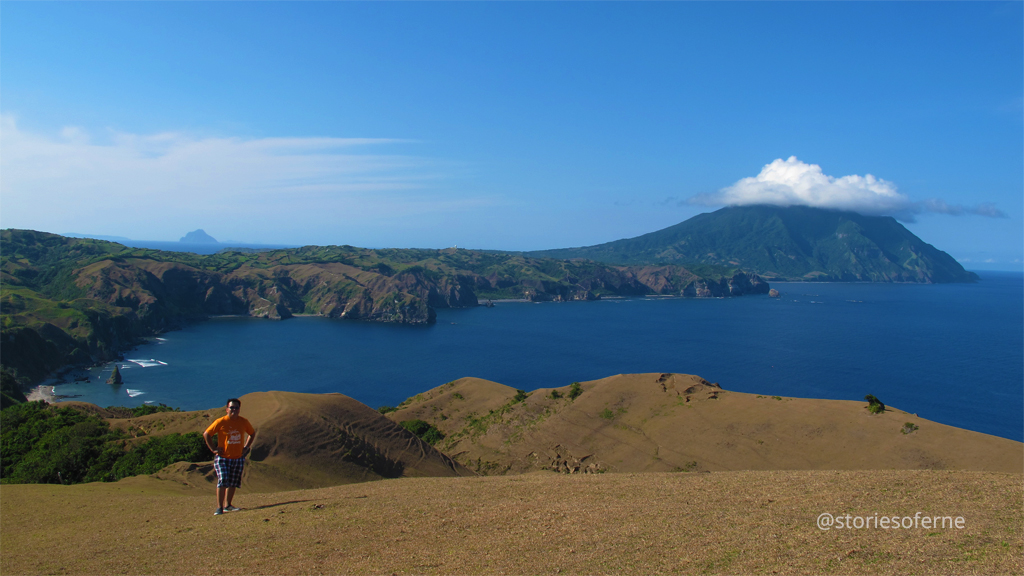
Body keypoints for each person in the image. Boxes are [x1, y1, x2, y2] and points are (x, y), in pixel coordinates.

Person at [203, 398, 257, 516]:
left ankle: (228, 505)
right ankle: (219, 507)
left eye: (236, 407)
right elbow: (207, 434)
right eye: (231, 407)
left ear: (239, 409)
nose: (234, 410)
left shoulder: (243, 422)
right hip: (223, 457)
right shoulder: (221, 421)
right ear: (227, 409)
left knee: (233, 482)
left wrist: (246, 447)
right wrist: (213, 449)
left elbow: (252, 433)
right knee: (223, 481)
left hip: (238, 457)